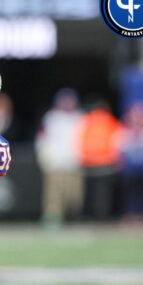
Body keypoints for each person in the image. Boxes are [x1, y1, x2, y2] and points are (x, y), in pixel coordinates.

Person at [35, 88, 84, 229]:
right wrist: (45, 157)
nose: (68, 104)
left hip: (74, 162)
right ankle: (52, 218)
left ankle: (72, 218)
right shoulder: (51, 117)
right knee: (53, 194)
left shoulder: (80, 118)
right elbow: (42, 139)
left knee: (74, 195)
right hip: (55, 163)